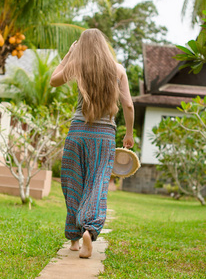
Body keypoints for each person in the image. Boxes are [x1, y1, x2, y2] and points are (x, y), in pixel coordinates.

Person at [50, 28, 134, 258]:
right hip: (104, 135)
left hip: (77, 133)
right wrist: (129, 134)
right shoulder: (119, 70)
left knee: (73, 183)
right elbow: (128, 105)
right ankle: (89, 228)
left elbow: (53, 80)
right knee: (97, 184)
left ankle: (75, 240)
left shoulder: (78, 66)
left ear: (83, 47)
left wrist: (69, 55)